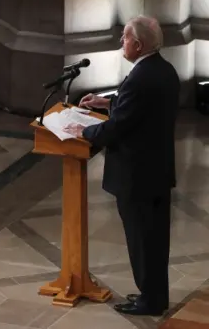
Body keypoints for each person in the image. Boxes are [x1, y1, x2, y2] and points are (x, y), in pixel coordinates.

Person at [64, 16, 180, 316]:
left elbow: (119, 128)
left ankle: (150, 301)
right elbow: (142, 112)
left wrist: (85, 132)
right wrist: (108, 104)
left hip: (137, 176)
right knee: (155, 241)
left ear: (138, 45)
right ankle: (155, 294)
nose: (121, 42)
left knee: (142, 241)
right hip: (157, 171)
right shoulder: (164, 70)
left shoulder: (140, 78)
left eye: (125, 37)